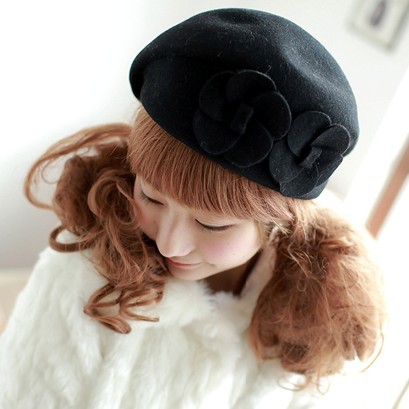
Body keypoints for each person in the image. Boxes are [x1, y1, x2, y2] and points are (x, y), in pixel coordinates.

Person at [0, 8, 384, 409]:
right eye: (151, 197)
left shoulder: (322, 320)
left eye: (210, 224)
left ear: (276, 225)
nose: (169, 244)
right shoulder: (82, 270)